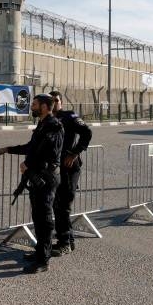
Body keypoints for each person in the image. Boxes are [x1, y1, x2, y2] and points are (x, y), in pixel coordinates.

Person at [0, 94, 63, 273]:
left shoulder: (54, 126)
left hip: (46, 178)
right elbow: (31, 147)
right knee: (38, 217)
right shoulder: (42, 124)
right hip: (36, 177)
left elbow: (45, 151)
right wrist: (8, 149)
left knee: (45, 219)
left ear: (44, 107)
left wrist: (28, 164)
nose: (31, 107)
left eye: (34, 104)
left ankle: (43, 260)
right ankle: (39, 252)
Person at [49, 90, 92, 256]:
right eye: (51, 101)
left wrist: (75, 153)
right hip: (54, 169)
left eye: (57, 101)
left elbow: (87, 133)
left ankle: (65, 243)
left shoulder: (69, 116)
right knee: (58, 206)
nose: (55, 104)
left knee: (63, 206)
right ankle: (67, 240)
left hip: (69, 169)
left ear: (61, 103)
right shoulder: (48, 120)